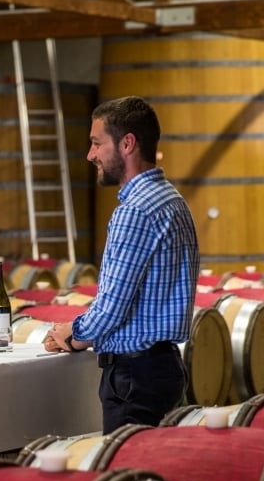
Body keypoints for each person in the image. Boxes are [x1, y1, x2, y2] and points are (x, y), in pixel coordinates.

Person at [44, 96, 200, 433]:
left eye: (97, 143)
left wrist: (73, 334)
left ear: (127, 143)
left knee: (126, 479)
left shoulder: (135, 210)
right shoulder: (172, 199)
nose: (90, 155)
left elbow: (113, 306)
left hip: (134, 378)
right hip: (162, 367)